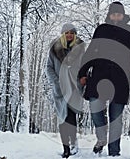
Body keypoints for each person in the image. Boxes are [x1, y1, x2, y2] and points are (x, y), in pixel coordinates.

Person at [78, 2, 130, 156]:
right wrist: (83, 72)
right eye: (113, 14)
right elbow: (91, 51)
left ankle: (114, 152)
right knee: (95, 108)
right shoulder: (101, 29)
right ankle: (101, 138)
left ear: (123, 15)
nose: (116, 16)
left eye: (119, 14)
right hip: (99, 75)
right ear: (109, 15)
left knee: (116, 117)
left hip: (120, 78)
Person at [46, 23, 85, 158]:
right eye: (67, 32)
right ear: (63, 34)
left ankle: (73, 144)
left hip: (74, 88)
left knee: (71, 117)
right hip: (60, 90)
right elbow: (49, 68)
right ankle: (65, 148)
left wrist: (83, 79)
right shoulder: (54, 49)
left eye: (72, 33)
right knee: (63, 119)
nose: (69, 35)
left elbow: (85, 66)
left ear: (75, 34)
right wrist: (57, 83)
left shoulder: (80, 49)